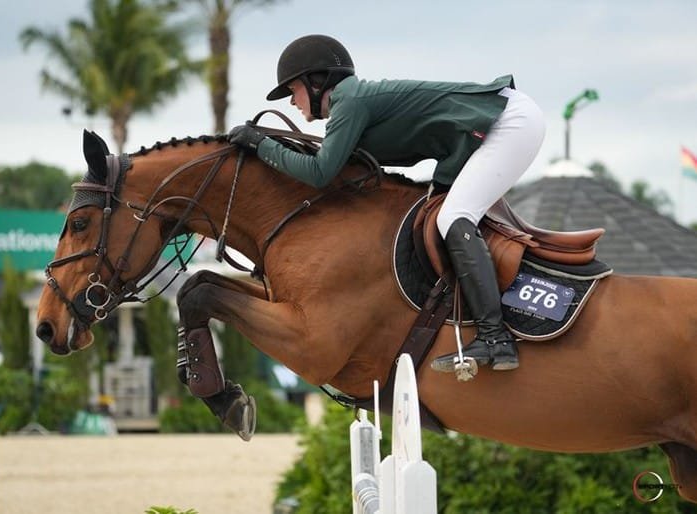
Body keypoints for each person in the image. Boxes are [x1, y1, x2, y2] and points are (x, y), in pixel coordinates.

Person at [228, 34, 546, 372]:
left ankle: (496, 337)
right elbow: (335, 169)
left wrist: (261, 145)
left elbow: (320, 172)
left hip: (508, 123)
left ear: (317, 82)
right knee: (437, 215)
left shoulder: (349, 102)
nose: (292, 101)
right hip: (491, 128)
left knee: (453, 217)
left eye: (293, 90)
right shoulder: (349, 107)